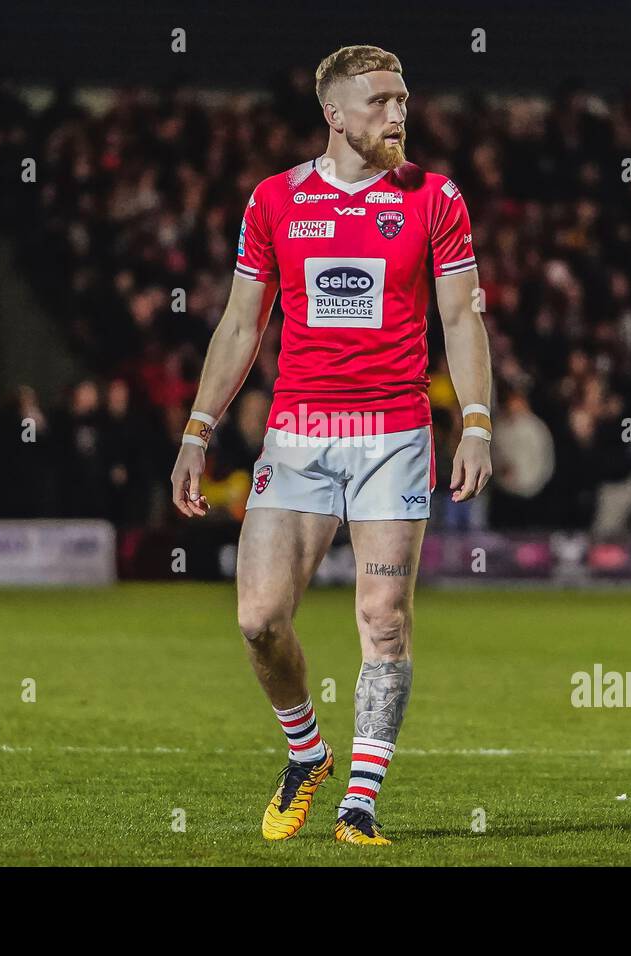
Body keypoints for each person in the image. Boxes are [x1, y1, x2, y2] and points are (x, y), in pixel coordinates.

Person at [169, 45, 493, 846]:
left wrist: (478, 420)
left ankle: (360, 801)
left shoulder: (434, 198)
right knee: (258, 620)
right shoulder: (275, 200)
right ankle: (306, 752)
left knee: (383, 617)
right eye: (381, 102)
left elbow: (460, 318)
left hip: (393, 435)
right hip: (300, 436)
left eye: (403, 100)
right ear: (335, 114)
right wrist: (196, 431)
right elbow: (242, 324)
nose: (398, 115)